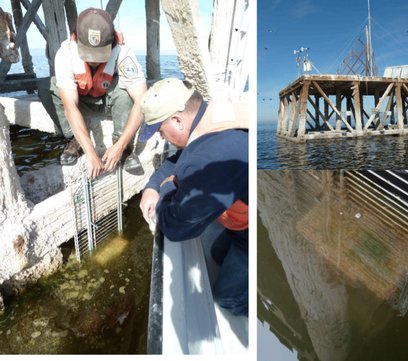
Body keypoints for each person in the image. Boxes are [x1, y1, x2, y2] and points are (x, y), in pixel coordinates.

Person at [138, 78, 249, 316]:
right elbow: (182, 158)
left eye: (160, 130)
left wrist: (167, 189)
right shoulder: (211, 118)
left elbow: (177, 227)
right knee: (217, 254)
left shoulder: (211, 157)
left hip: (250, 232)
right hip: (243, 214)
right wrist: (153, 185)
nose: (161, 138)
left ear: (177, 120)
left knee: (227, 299)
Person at [38, 8, 147, 178]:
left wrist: (119, 146)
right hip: (81, 102)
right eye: (88, 53)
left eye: (100, 54)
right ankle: (75, 140)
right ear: (76, 39)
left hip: (108, 103)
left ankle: (124, 146)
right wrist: (90, 152)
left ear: (112, 42)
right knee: (46, 86)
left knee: (126, 92)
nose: (94, 59)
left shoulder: (123, 53)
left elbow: (142, 99)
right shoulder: (65, 53)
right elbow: (69, 106)